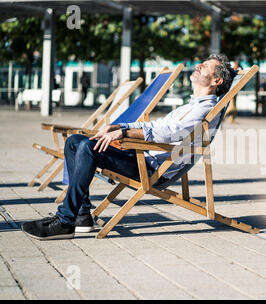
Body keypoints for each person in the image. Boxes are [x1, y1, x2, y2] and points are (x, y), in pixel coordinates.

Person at [21, 54, 236, 240]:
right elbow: (156, 125)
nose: (198, 65)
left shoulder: (204, 109)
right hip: (139, 157)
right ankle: (82, 215)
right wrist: (120, 126)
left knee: (88, 148)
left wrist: (124, 134)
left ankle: (65, 221)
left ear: (216, 80)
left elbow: (169, 133)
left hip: (150, 169)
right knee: (74, 142)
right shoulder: (190, 106)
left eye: (205, 66)